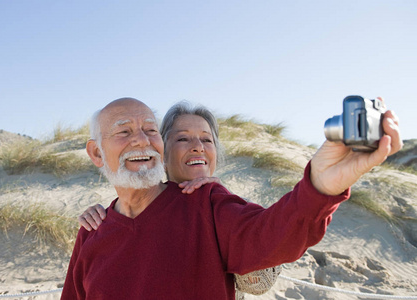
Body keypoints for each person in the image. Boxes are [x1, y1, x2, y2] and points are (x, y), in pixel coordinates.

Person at [61, 97, 402, 300]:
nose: (141, 141)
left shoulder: (209, 203)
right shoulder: (93, 229)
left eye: (150, 130)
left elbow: (271, 236)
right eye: (123, 131)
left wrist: (319, 186)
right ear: (96, 152)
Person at [78, 101, 282, 298]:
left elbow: (260, 283)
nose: (198, 147)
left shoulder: (228, 208)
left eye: (207, 140)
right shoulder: (132, 211)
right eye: (183, 139)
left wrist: (222, 206)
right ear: (162, 152)